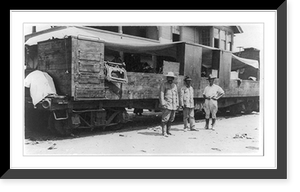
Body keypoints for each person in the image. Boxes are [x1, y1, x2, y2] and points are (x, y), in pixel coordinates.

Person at [159, 72, 179, 137]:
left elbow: (177, 95)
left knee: (171, 119)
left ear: (173, 79)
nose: (170, 79)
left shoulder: (174, 85)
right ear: (167, 78)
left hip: (173, 105)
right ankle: (164, 132)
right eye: (169, 78)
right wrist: (163, 103)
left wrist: (177, 103)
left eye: (171, 78)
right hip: (167, 104)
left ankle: (168, 131)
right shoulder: (164, 85)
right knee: (165, 119)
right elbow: (161, 94)